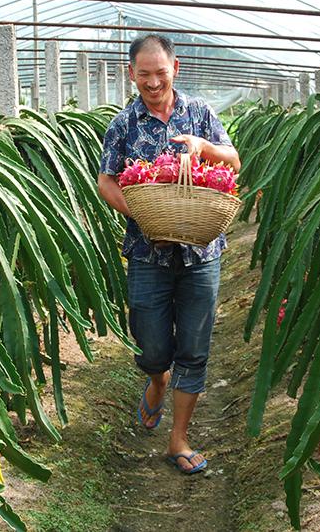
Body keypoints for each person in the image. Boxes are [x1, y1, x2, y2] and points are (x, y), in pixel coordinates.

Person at [96, 33, 241, 475]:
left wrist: (205, 149)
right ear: (131, 74)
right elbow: (107, 181)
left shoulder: (200, 113)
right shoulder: (123, 125)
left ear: (175, 69)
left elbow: (233, 162)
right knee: (153, 344)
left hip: (202, 251)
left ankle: (178, 439)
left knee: (194, 351)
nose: (154, 82)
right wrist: (141, 215)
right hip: (146, 252)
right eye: (145, 75)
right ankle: (157, 379)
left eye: (161, 73)